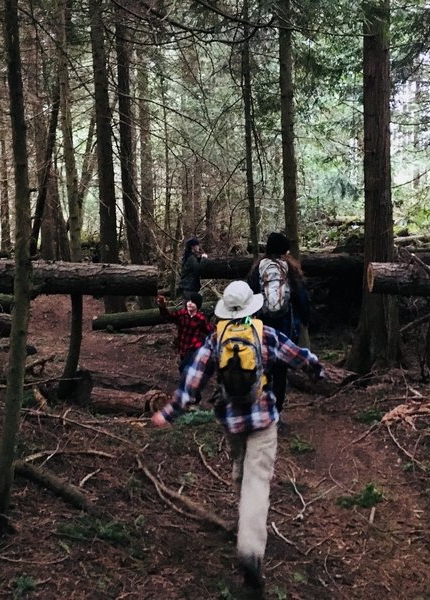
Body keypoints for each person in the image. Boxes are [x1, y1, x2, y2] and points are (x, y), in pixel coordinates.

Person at [151, 281, 324, 594]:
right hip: (263, 418)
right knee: (257, 481)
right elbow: (298, 356)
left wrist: (170, 411)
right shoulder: (264, 334)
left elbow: (193, 381)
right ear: (251, 307)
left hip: (231, 420)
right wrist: (317, 369)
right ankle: (250, 551)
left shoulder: (216, 338)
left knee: (241, 471)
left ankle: (245, 523)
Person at [248, 232, 310, 419]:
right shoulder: (289, 269)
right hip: (284, 328)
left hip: (262, 327)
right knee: (280, 371)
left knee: (262, 368)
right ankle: (276, 413)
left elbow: (248, 296)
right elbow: (301, 298)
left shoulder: (259, 268)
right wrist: (305, 319)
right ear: (283, 250)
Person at [156, 292, 213, 376]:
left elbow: (210, 330)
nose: (189, 303)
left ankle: (188, 385)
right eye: (189, 301)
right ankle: (190, 383)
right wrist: (162, 306)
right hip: (183, 347)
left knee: (183, 367)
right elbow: (169, 316)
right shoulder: (182, 314)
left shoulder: (201, 318)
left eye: (193, 302)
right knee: (185, 369)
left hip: (194, 348)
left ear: (197, 305)